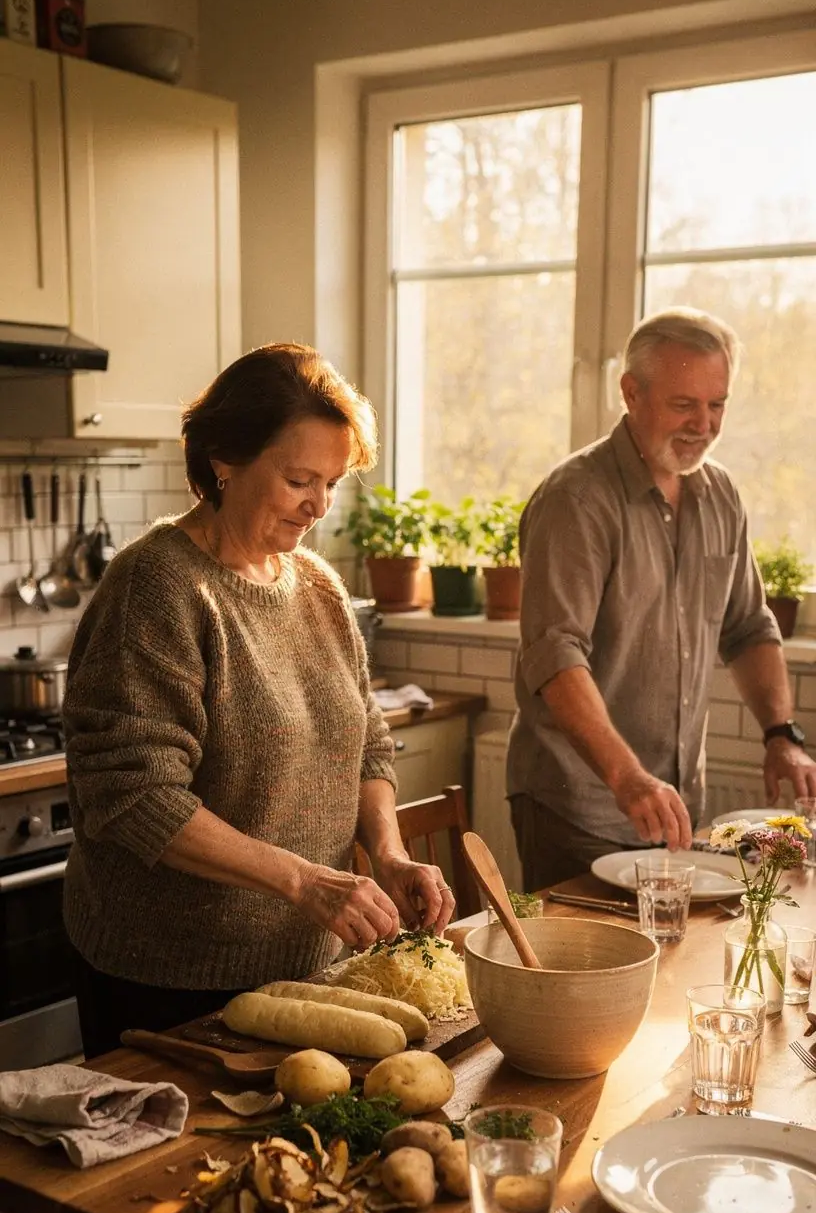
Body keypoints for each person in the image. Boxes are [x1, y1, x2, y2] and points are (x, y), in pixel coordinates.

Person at [63, 342, 455, 1057]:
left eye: (332, 483)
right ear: (224, 459)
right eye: (300, 479)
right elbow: (137, 797)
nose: (319, 506)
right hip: (170, 979)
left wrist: (389, 856)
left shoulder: (315, 585)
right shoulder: (157, 587)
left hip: (309, 970)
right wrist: (304, 882)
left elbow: (365, 739)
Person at [507, 307, 816, 892]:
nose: (703, 423)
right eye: (684, 404)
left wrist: (782, 735)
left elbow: (748, 626)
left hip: (668, 806)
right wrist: (628, 779)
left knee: (670, 967)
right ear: (631, 393)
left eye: (717, 404)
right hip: (581, 806)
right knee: (589, 978)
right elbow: (554, 657)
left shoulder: (720, 493)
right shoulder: (577, 499)